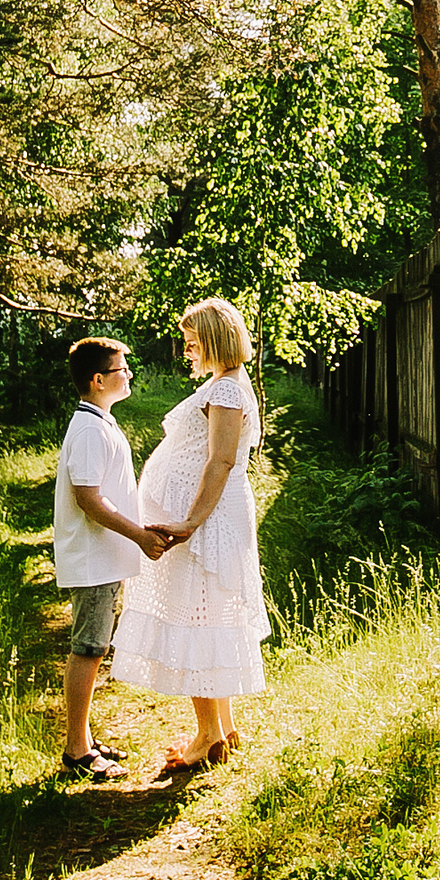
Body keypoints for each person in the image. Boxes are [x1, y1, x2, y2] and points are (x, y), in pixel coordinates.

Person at [108, 297, 268, 772]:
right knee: (210, 616)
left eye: (192, 340)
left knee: (200, 619)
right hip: (210, 517)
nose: (187, 348)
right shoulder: (227, 384)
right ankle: (224, 730)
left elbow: (220, 461)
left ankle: (207, 736)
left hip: (208, 521)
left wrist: (189, 521)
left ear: (214, 338)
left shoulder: (226, 391)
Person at [52, 335, 167, 781]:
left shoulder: (100, 422)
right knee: (89, 649)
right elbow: (89, 500)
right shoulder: (88, 430)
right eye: (122, 370)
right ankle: (77, 752)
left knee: (94, 647)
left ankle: (83, 738)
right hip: (91, 559)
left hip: (103, 558)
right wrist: (138, 535)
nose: (130, 374)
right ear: (98, 380)